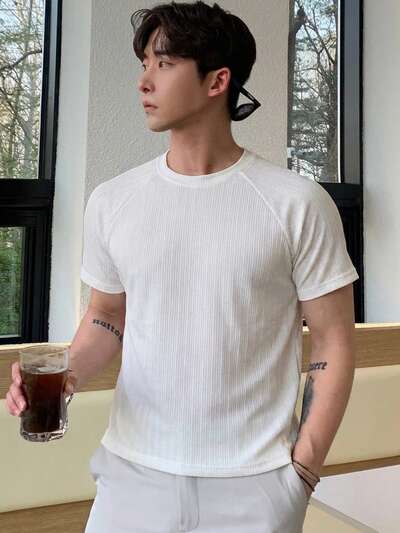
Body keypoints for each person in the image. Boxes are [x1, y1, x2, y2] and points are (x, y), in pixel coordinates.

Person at [6, 1, 359, 531]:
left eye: (164, 64)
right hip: (131, 476)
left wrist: (302, 472)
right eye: (144, 63)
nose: (144, 81)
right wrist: (69, 372)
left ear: (218, 81)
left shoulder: (297, 203)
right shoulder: (113, 200)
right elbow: (107, 316)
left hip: (256, 484)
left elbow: (334, 341)